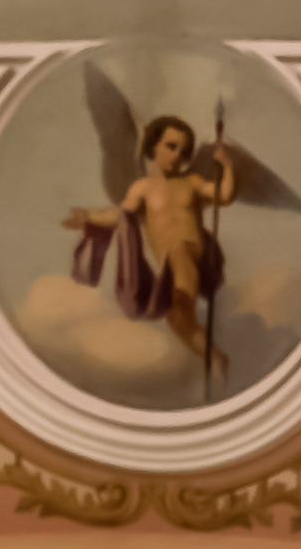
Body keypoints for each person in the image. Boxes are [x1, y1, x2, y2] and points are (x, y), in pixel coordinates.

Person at [65, 112, 234, 364]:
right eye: (171, 146)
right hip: (168, 265)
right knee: (178, 320)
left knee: (179, 256)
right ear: (153, 146)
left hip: (189, 253)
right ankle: (218, 359)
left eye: (184, 151)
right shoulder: (141, 188)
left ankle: (217, 361)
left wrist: (227, 166)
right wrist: (88, 217)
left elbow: (223, 195)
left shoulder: (192, 182)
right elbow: (119, 215)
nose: (177, 155)